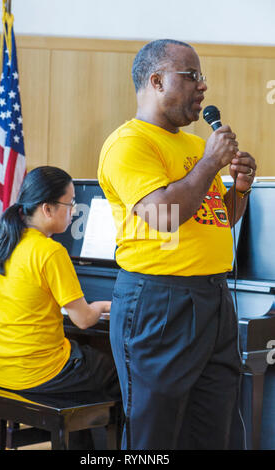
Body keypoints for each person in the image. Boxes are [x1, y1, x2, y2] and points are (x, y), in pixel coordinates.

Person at [98, 39, 256, 450]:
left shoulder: (192, 145)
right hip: (160, 300)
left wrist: (240, 188)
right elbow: (164, 217)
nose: (202, 87)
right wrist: (209, 163)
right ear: (156, 81)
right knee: (157, 434)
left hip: (213, 299)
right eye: (191, 77)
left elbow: (218, 219)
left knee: (213, 427)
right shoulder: (129, 144)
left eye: (202, 77)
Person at [0, 166, 119, 402]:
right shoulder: (50, 251)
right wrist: (103, 306)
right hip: (40, 372)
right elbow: (83, 320)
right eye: (70, 204)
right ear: (47, 208)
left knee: (87, 359)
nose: (73, 212)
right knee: (118, 372)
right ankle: (106, 438)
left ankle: (74, 438)